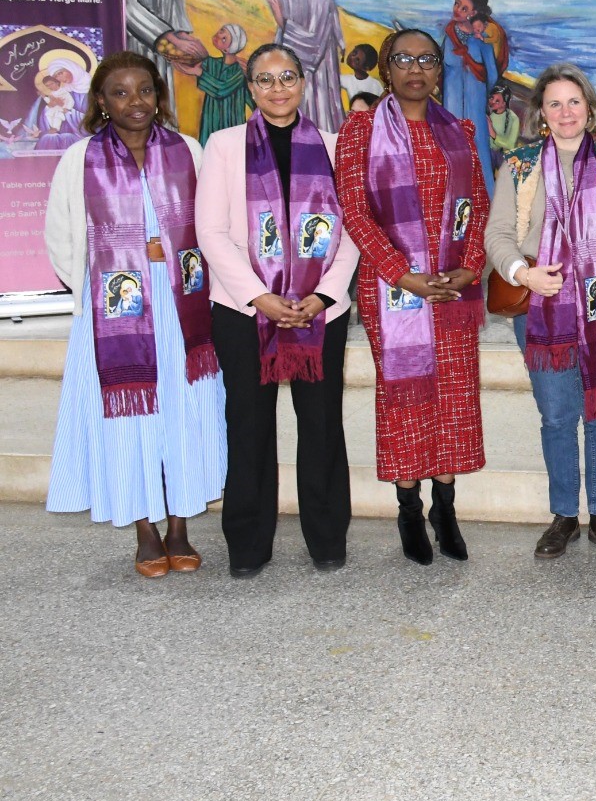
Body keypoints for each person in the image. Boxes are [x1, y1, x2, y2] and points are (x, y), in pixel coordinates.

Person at [43, 51, 225, 577]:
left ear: (158, 96)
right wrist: (104, 289)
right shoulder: (80, 158)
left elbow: (209, 225)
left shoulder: (188, 150)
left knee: (182, 416)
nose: (135, 102)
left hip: (180, 312)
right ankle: (145, 529)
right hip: (115, 318)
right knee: (132, 422)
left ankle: (179, 526)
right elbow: (60, 237)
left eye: (144, 90)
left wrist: (164, 261)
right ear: (101, 101)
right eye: (120, 92)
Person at [195, 42, 360, 577]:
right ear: (250, 87)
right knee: (248, 424)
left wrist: (325, 295)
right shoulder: (223, 146)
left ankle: (327, 536)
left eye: (287, 76)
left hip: (320, 312)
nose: (278, 88)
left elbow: (353, 233)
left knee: (320, 425)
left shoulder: (335, 148)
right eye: (265, 80)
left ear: (304, 82)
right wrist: (258, 296)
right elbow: (212, 232)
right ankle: (247, 544)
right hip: (243, 311)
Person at [335, 29, 490, 566]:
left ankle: (445, 508)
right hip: (395, 291)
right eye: (404, 59)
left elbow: (480, 206)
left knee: (452, 396)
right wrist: (404, 275)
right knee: (406, 399)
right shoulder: (361, 130)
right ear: (386, 68)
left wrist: (470, 267)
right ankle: (408, 507)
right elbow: (353, 210)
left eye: (427, 59)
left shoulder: (460, 130)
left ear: (439, 70)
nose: (416, 68)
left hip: (451, 290)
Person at [485, 64, 596, 561]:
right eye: (554, 103)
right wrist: (522, 275)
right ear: (541, 114)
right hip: (543, 306)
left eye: (574, 102)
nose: (565, 112)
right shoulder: (521, 165)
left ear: (589, 109)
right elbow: (498, 235)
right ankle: (564, 515)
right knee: (556, 416)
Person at [264, 0, 345, 132]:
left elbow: (316, 43)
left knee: (319, 121)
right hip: (294, 67)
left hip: (318, 71)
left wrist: (282, 22)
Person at [442, 0, 502, 193]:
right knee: (452, 152)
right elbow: (442, 70)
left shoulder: (482, 43)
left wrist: (481, 98)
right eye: (457, 3)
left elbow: (492, 75)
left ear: (474, 13)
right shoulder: (448, 38)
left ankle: (487, 204)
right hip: (451, 108)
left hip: (476, 108)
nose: (457, 9)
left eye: (464, 8)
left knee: (480, 152)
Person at [176, 23, 254, 144]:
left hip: (231, 125)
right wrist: (185, 39)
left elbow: (220, 89)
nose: (220, 34)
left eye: (224, 38)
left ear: (227, 49)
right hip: (210, 125)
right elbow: (198, 56)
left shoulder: (239, 70)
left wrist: (198, 72)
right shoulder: (212, 63)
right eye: (222, 30)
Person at [486, 83, 521, 172]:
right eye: (491, 98)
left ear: (504, 103)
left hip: (503, 154)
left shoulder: (513, 119)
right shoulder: (487, 115)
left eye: (497, 101)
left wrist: (493, 134)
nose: (492, 102)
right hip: (488, 153)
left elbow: (511, 144)